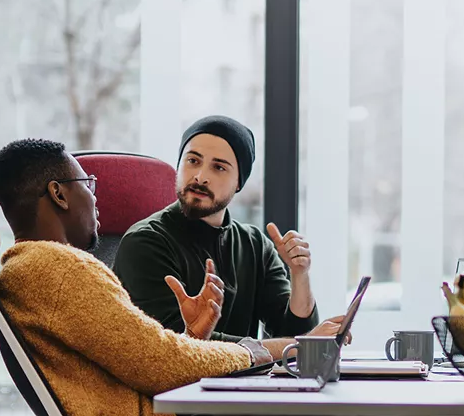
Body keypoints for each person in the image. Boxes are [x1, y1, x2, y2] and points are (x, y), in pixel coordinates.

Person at [0, 138, 435, 416]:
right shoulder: (59, 269)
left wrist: (191, 338)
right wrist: (265, 350)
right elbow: (162, 363)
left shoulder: (35, 270)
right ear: (59, 194)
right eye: (89, 186)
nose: (97, 200)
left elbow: (148, 355)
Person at [115, 115, 319, 342]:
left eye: (219, 167)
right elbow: (172, 345)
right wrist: (286, 347)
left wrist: (300, 275)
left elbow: (295, 339)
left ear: (239, 182)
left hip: (245, 378)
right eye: (193, 161)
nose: (201, 177)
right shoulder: (145, 242)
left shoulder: (255, 245)